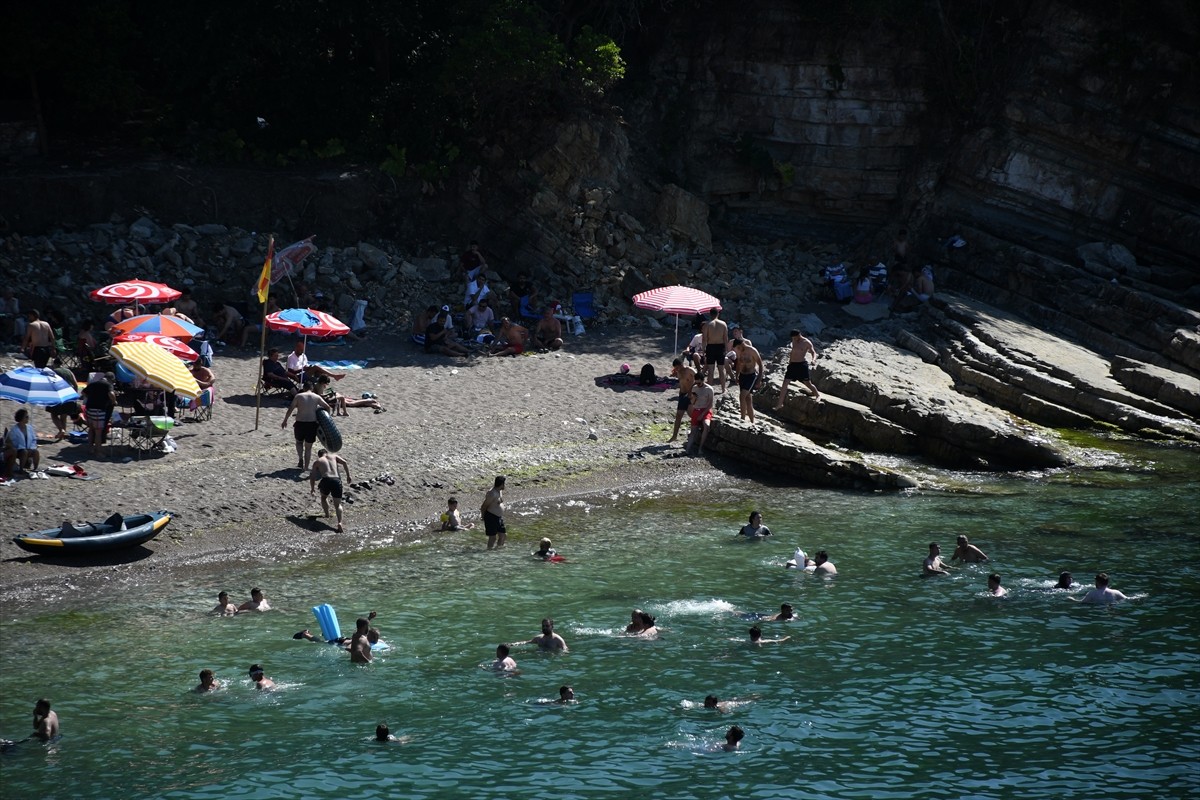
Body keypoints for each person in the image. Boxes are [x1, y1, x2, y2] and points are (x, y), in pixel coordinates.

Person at [281, 381, 332, 471]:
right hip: (312, 424)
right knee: (308, 448)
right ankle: (306, 467)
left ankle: (300, 458)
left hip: (300, 423)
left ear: (304, 388)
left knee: (299, 442)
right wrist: (327, 420)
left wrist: (285, 420)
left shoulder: (298, 396)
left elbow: (291, 408)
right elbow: (328, 407)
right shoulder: (316, 397)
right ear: (312, 388)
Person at [775, 329, 820, 408]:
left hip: (801, 365)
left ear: (799, 335)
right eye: (793, 338)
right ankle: (780, 403)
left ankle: (817, 395)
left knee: (807, 383)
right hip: (792, 365)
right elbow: (793, 351)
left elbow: (813, 352)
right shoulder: (794, 340)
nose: (794, 339)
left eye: (795, 337)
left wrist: (813, 360)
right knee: (785, 384)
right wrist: (790, 361)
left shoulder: (806, 342)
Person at [310, 448, 351, 532]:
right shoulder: (334, 456)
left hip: (326, 480)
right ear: (326, 453)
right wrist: (348, 476)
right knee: (338, 504)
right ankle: (339, 522)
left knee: (324, 497)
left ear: (319, 455)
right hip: (336, 480)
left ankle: (327, 514)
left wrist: (312, 488)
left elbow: (312, 477)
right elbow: (344, 462)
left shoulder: (318, 461)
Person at [81, 373, 116, 457]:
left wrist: (91, 397)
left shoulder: (94, 383)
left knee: (91, 429)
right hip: (99, 410)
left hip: (89, 408)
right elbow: (111, 394)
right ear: (110, 379)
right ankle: (98, 452)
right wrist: (114, 401)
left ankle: (90, 448)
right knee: (98, 432)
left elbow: (83, 392)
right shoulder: (108, 385)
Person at [731, 338, 764, 423]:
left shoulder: (752, 351)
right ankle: (752, 421)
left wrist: (759, 379)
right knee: (748, 399)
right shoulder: (739, 352)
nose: (738, 349)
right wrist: (737, 376)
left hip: (751, 376)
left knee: (742, 396)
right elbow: (738, 364)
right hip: (742, 375)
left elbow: (760, 365)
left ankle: (742, 419)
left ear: (742, 344)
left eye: (738, 347)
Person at [668, 357, 697, 443]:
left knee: (691, 414)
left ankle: (695, 433)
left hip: (691, 395)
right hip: (682, 395)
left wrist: (692, 391)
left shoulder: (690, 370)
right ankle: (674, 436)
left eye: (677, 367)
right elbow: (682, 382)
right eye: (675, 368)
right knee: (678, 416)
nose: (676, 369)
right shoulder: (678, 372)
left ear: (681, 365)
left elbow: (699, 379)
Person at [4, 409, 41, 476]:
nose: (28, 418)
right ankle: (21, 469)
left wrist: (32, 447)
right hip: (19, 449)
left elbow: (34, 439)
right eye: (26, 417)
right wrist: (20, 447)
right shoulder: (14, 430)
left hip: (29, 448)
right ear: (21, 418)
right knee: (24, 452)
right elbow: (11, 441)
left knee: (36, 452)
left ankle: (35, 469)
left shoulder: (30, 428)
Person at [701, 308, 729, 393]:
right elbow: (725, 338)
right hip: (720, 347)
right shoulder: (723, 324)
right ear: (718, 314)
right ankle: (723, 389)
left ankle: (709, 389)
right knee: (721, 369)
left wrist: (703, 349)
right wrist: (726, 349)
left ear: (710, 314)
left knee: (711, 369)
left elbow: (704, 339)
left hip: (711, 347)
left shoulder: (707, 325)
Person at [686, 371, 715, 454]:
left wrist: (702, 414)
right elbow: (692, 402)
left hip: (705, 410)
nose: (698, 384)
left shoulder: (709, 389)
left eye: (699, 383)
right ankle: (687, 449)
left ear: (703, 380)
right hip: (696, 409)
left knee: (706, 425)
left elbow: (710, 404)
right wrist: (693, 399)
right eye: (696, 383)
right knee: (693, 431)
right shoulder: (695, 388)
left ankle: (700, 448)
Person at [481, 475, 507, 549]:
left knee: (503, 535)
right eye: (504, 483)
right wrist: (483, 516)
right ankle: (489, 552)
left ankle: (498, 550)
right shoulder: (492, 493)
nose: (505, 485)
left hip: (499, 517)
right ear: (501, 484)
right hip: (491, 517)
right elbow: (484, 506)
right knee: (493, 537)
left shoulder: (500, 491)